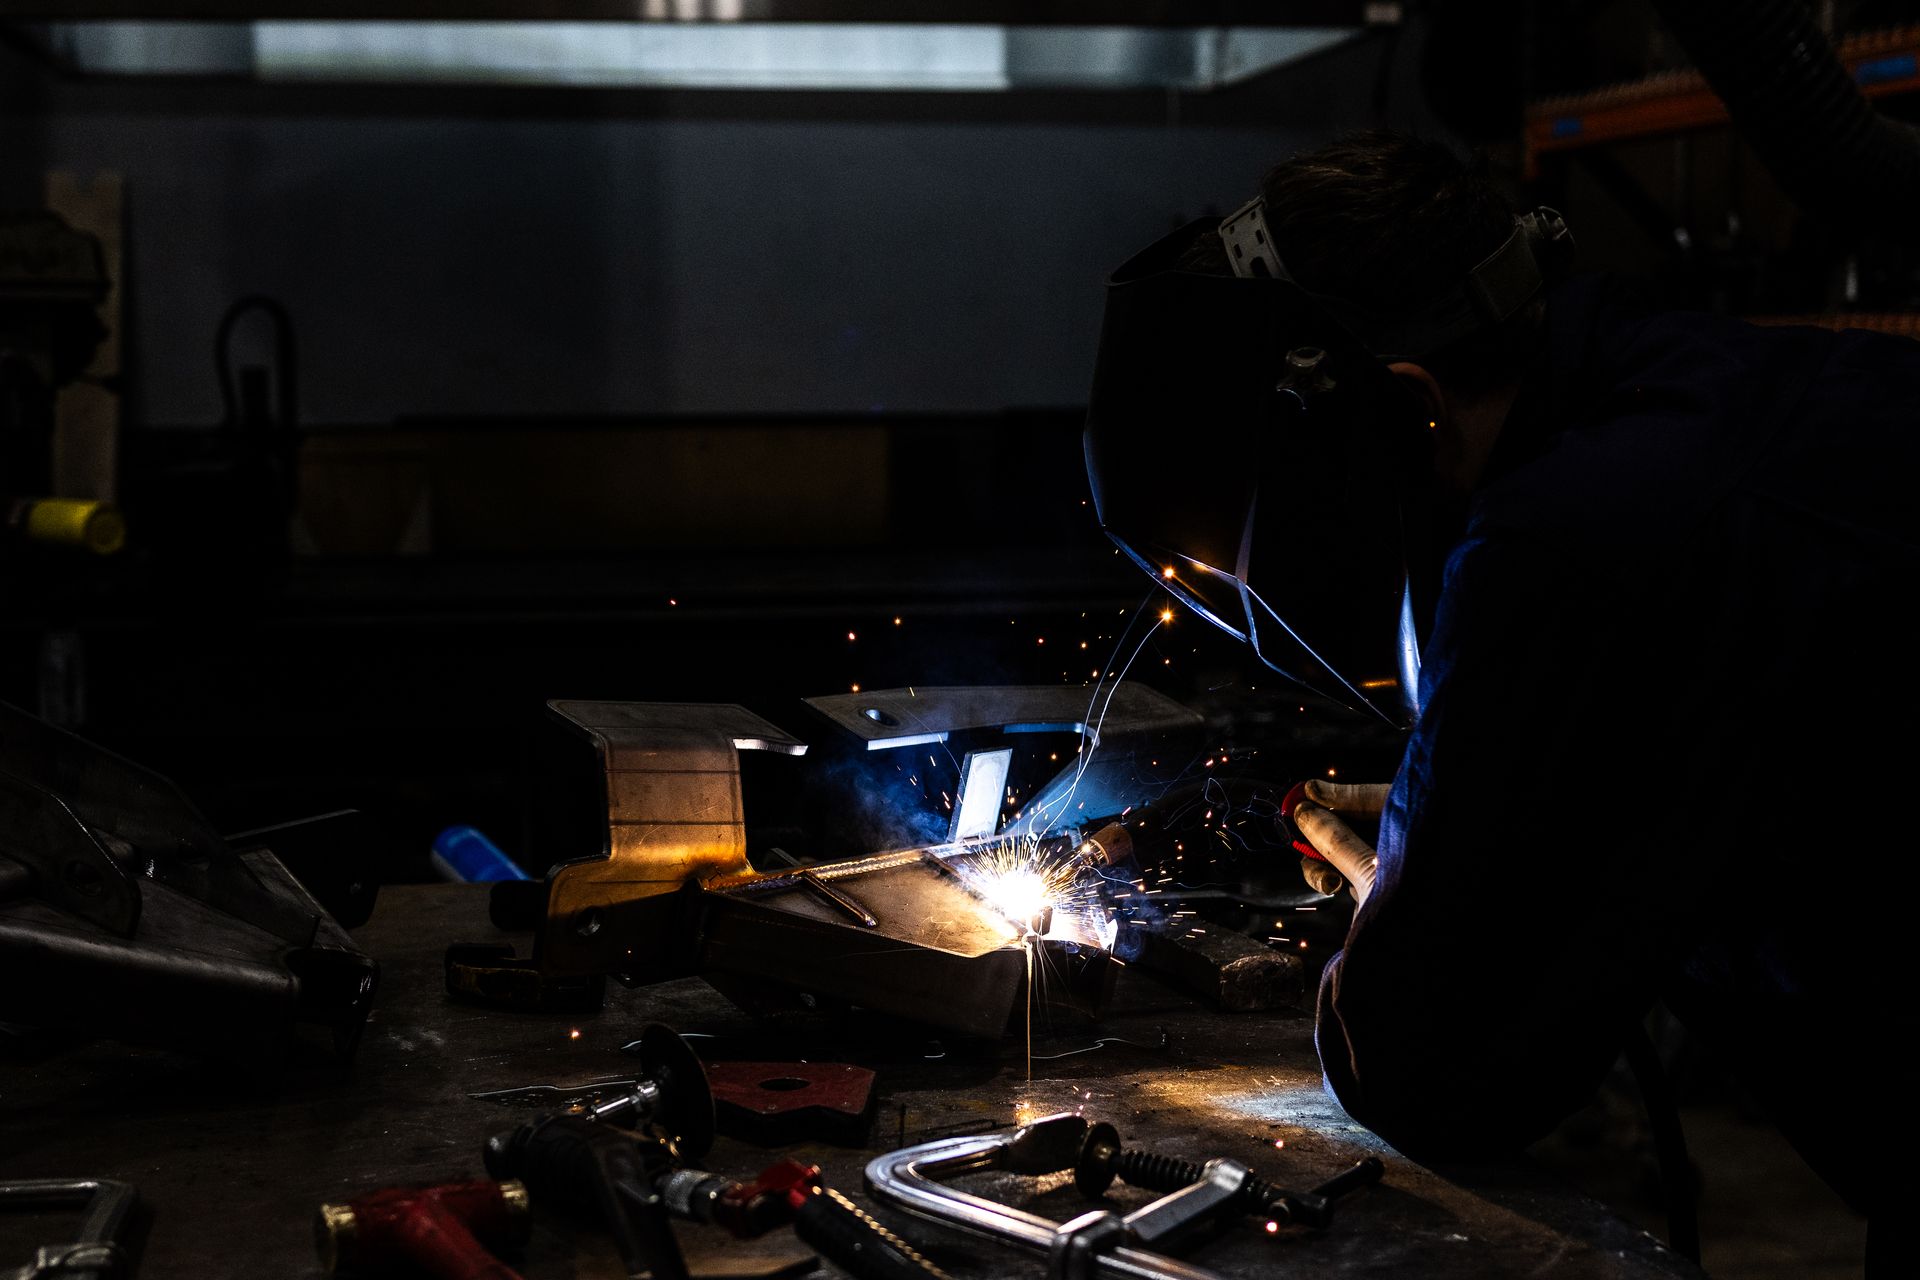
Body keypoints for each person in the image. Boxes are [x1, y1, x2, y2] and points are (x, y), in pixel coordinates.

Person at [1082, 130, 1918, 1261]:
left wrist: (1402, 896)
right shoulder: (1711, 384)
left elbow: (1425, 1064)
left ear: (1406, 411)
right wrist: (1479, 802)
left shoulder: (1570, 533)